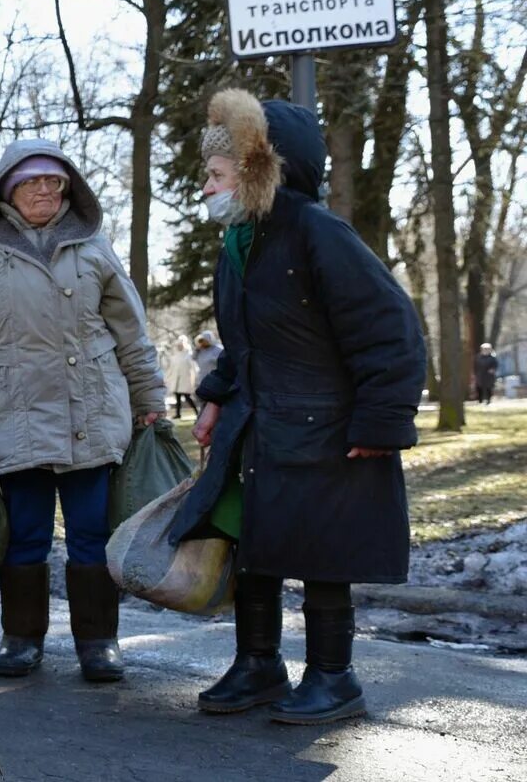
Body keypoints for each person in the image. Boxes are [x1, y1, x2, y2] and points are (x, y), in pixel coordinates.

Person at [179, 89, 425, 726]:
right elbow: (249, 342)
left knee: (323, 555)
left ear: (261, 171)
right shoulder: (239, 244)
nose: (205, 186)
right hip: (263, 425)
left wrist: (381, 422)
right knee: (255, 546)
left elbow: (390, 328)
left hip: (327, 429)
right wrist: (213, 399)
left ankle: (334, 677)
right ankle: (258, 662)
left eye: (216, 173)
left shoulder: (318, 232)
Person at [0, 142, 166, 683]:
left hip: (88, 409)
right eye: (32, 182)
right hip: (12, 416)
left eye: (55, 182)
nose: (44, 191)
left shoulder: (93, 246)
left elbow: (131, 331)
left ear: (69, 189)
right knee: (25, 535)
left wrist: (150, 398)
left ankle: (98, 643)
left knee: (91, 533)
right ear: (7, 191)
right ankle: (21, 640)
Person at [167, 336, 199, 419]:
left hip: (185, 381)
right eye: (178, 346)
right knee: (178, 399)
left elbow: (193, 368)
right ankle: (178, 414)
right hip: (176, 382)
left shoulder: (187, 356)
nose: (179, 347)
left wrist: (193, 380)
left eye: (180, 345)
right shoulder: (174, 357)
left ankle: (197, 412)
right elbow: (171, 369)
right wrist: (167, 378)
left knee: (188, 398)